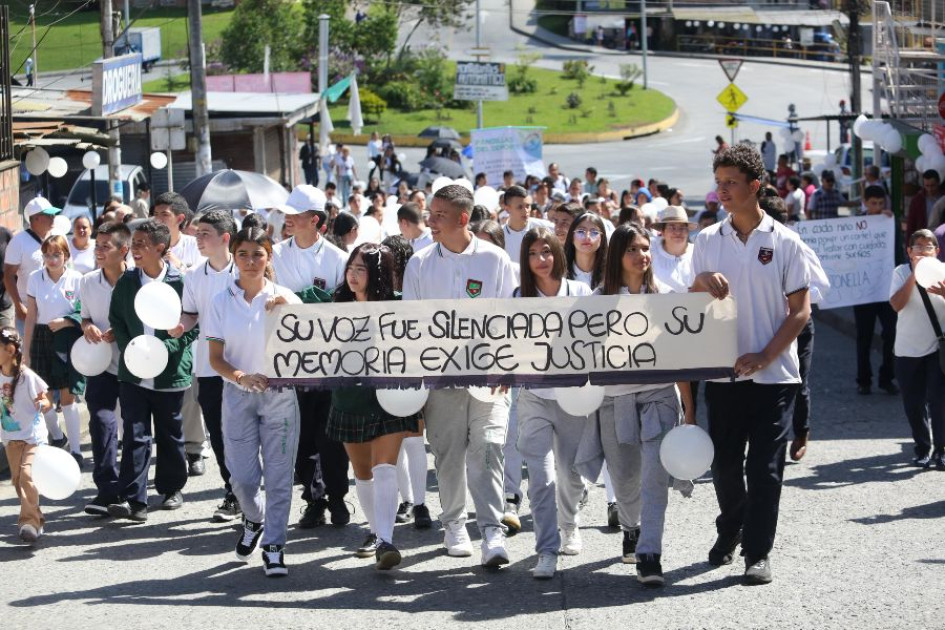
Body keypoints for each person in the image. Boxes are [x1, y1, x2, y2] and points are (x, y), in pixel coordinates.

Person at [691, 144, 811, 585]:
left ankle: (756, 553)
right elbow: (689, 306)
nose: (721, 191)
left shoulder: (786, 242)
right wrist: (699, 281)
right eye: (719, 183)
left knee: (765, 471)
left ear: (754, 187)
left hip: (775, 377)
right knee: (724, 466)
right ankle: (731, 527)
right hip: (723, 376)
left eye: (731, 184)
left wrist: (765, 355)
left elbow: (801, 312)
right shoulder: (706, 240)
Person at [402, 185, 517, 566]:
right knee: (448, 455)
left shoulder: (495, 259)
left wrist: (502, 363)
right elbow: (410, 324)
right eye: (430, 214)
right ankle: (453, 524)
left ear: (463, 218)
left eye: (439, 215)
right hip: (440, 379)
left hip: (489, 378)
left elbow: (507, 318)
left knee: (489, 449)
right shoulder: (419, 263)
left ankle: (492, 532)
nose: (429, 221)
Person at [577, 223, 695, 587]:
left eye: (646, 248)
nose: (642, 255)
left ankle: (650, 554)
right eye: (633, 249)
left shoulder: (667, 298)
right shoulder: (594, 303)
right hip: (614, 401)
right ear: (617, 256)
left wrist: (689, 409)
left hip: (659, 398)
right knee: (625, 480)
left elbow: (683, 357)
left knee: (653, 480)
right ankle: (632, 527)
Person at [206, 227, 302, 577]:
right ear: (233, 255)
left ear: (269, 257)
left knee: (279, 477)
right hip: (238, 395)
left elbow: (307, 351)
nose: (250, 261)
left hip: (280, 397)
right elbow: (216, 358)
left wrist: (287, 313)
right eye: (243, 254)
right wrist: (240, 376)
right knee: (243, 480)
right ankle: (253, 517)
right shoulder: (221, 301)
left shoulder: (287, 297)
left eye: (257, 254)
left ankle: (274, 546)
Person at [327, 243, 421, 570]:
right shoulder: (336, 304)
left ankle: (385, 540)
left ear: (377, 273)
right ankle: (374, 531)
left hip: (391, 397)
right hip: (350, 398)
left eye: (361, 269)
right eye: (350, 268)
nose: (352, 275)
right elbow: (300, 319)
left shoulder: (400, 305)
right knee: (362, 472)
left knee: (385, 468)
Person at [107, 220, 199, 522]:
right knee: (135, 433)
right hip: (133, 373)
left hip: (170, 372)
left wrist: (168, 349)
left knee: (170, 433)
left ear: (160, 247)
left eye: (141, 244)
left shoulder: (180, 282)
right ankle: (135, 499)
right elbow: (116, 319)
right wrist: (131, 349)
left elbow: (192, 323)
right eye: (133, 243)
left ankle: (172, 488)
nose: (134, 249)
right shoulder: (127, 281)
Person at [270, 185, 350, 529]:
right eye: (287, 213)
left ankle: (337, 498)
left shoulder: (337, 258)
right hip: (288, 360)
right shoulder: (274, 254)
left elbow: (340, 309)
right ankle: (313, 498)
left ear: (315, 220)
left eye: (296, 215)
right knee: (299, 436)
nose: (288, 219)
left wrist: (304, 302)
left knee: (330, 435)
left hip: (328, 360)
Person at [514, 227, 591, 579]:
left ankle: (570, 523)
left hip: (574, 398)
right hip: (534, 398)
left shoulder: (581, 292)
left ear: (558, 254)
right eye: (532, 254)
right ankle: (546, 549)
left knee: (571, 473)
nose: (540, 260)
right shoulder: (518, 297)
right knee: (541, 479)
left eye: (546, 252)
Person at [172, 210, 241, 522]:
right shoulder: (193, 276)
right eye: (196, 233)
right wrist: (180, 326)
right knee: (218, 432)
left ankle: (249, 489)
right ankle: (234, 492)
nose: (197, 239)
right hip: (209, 367)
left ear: (224, 238)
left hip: (244, 365)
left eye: (204, 234)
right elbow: (191, 314)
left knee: (244, 433)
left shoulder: (244, 270)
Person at [151, 192, 206, 475]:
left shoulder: (193, 247)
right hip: (157, 330)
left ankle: (195, 448)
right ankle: (169, 450)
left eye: (164, 215)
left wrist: (176, 264)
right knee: (162, 395)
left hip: (189, 329)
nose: (158, 219)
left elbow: (197, 284)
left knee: (190, 394)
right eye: (155, 214)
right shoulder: (149, 247)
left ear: (180, 220)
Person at [79, 222, 130, 515]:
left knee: (135, 428)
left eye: (104, 246)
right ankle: (106, 490)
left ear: (123, 250)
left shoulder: (137, 280)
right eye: (96, 246)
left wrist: (119, 331)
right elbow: (84, 318)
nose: (98, 251)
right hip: (99, 364)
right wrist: (88, 328)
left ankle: (132, 490)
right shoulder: (87, 282)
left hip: (135, 364)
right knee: (101, 423)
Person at [23, 235, 84, 467]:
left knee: (68, 397)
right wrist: (26, 351)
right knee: (44, 398)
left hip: (67, 337)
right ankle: (57, 437)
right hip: (41, 336)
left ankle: (77, 451)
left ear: (66, 256)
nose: (51, 259)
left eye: (56, 254)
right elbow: (30, 316)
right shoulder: (34, 278)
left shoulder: (77, 279)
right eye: (47, 254)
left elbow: (83, 312)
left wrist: (67, 322)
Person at [889, 229, 945, 469]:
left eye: (928, 247)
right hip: (907, 348)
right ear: (909, 251)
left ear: (937, 251)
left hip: (937, 346)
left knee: (939, 400)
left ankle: (941, 450)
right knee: (913, 402)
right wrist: (914, 275)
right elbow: (896, 305)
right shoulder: (900, 272)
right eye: (918, 247)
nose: (923, 251)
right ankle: (922, 447)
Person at [0, 327, 52, 543]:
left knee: (27, 477)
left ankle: (29, 523)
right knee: (17, 480)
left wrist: (43, 403)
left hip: (33, 437)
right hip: (11, 439)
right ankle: (36, 518)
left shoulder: (27, 377)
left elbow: (47, 400)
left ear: (10, 349)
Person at [853, 185, 900, 397]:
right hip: (863, 291)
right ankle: (864, 380)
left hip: (885, 291)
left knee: (891, 333)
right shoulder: (854, 224)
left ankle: (887, 377)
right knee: (864, 337)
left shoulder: (889, 222)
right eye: (873, 203)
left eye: (881, 204)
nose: (877, 207)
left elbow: (897, 253)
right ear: (865, 201)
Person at [5, 198, 59, 338]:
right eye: (48, 215)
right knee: (29, 356)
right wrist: (18, 306)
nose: (53, 218)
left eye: (53, 214)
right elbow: (8, 275)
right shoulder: (18, 242)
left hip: (56, 310)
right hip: (29, 311)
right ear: (35, 219)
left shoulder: (58, 237)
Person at [500, 185, 551, 284]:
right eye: (520, 207)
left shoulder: (545, 228)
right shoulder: (498, 236)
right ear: (507, 209)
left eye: (528, 206)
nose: (526, 211)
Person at [651, 206, 696, 294]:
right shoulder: (651, 251)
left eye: (682, 228)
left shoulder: (697, 252)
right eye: (672, 227)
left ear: (688, 231)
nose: (678, 232)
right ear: (662, 232)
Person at [905, 170, 943, 238]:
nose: (930, 189)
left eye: (932, 186)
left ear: (938, 183)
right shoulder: (917, 200)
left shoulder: (943, 199)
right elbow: (911, 224)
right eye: (927, 186)